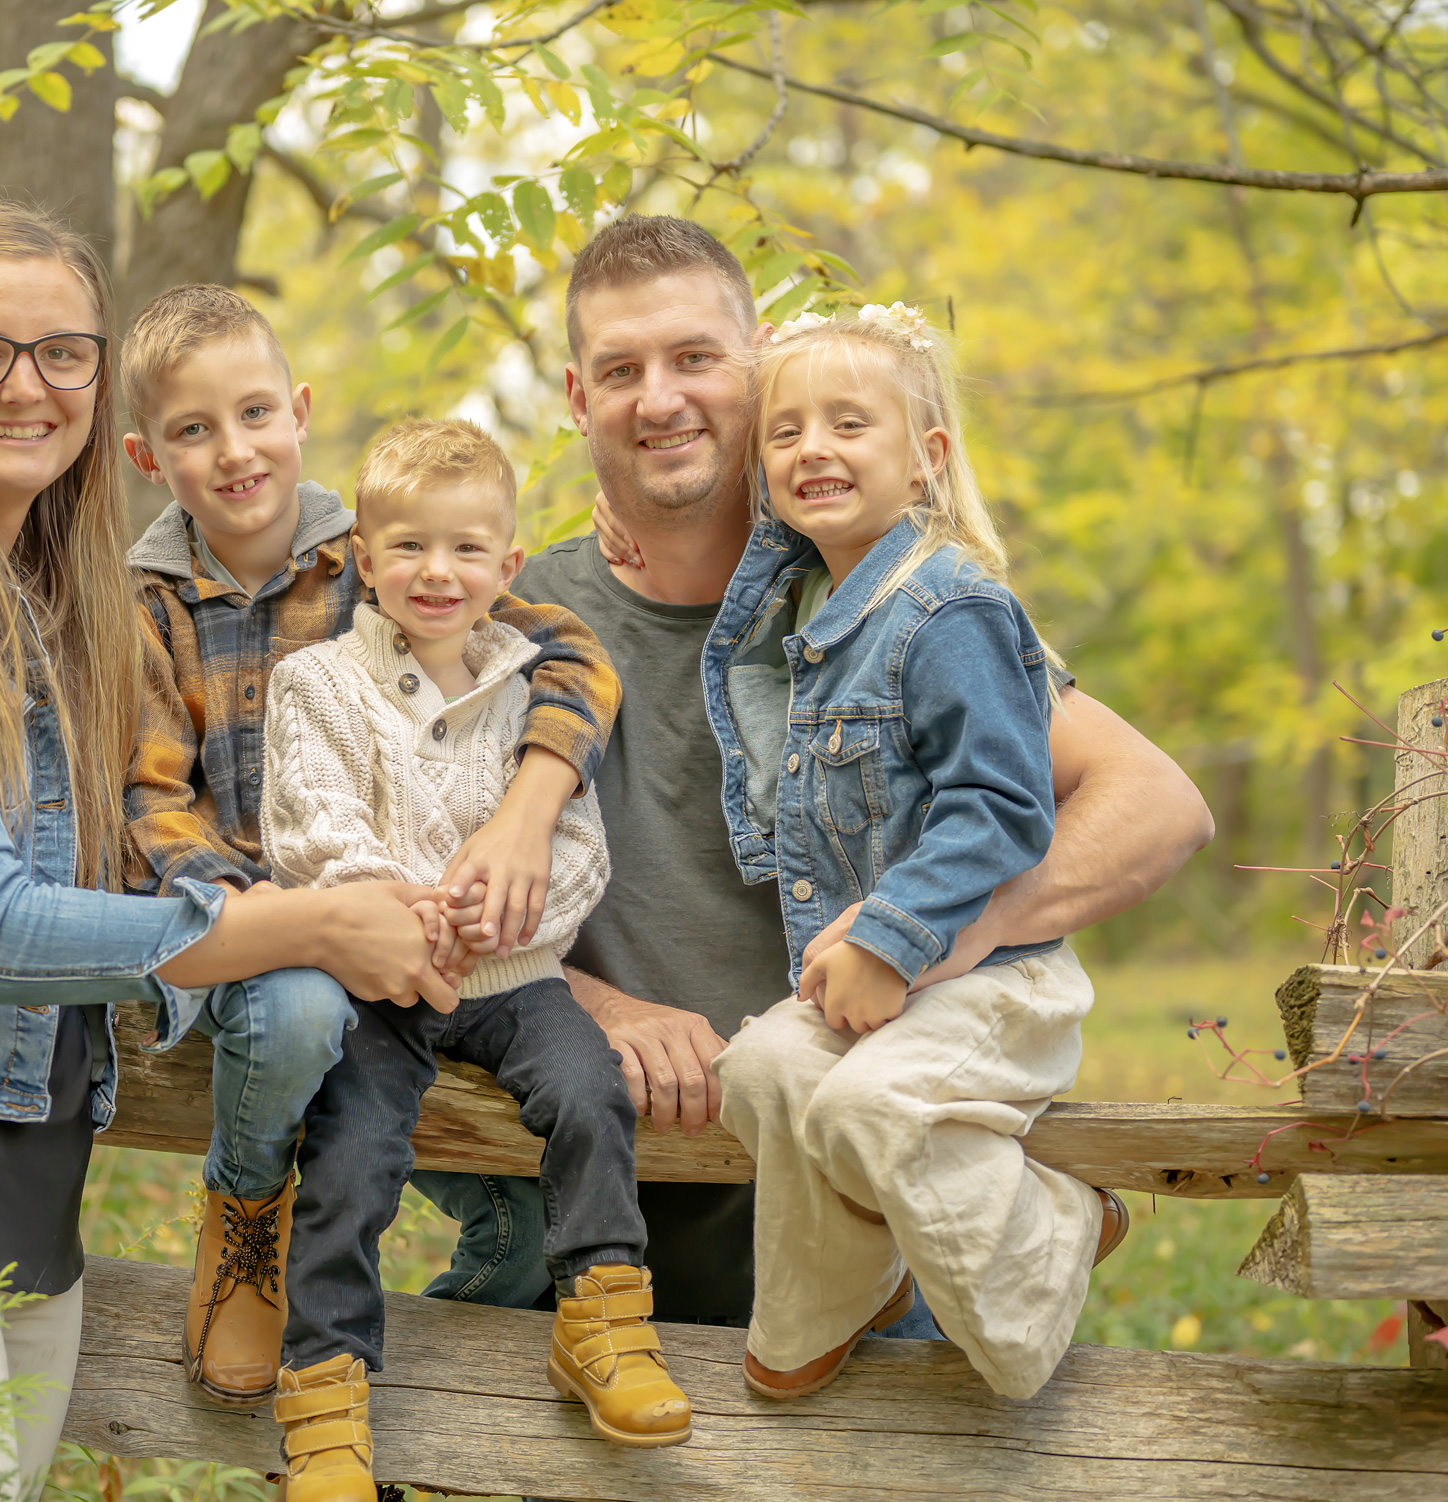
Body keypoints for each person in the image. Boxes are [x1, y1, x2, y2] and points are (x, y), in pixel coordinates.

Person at [0, 202, 459, 1501]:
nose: (27, 385)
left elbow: (124, 883)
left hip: (31, 1204)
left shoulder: (68, 619)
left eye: (63, 351)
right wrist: (314, 925)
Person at [420, 215, 1213, 1344]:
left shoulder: (886, 600)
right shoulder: (507, 624)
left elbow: (1157, 805)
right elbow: (402, 883)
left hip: (876, 1247)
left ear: (757, 364)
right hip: (588, 1248)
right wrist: (593, 1007)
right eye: (620, 371)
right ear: (574, 394)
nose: (659, 399)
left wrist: (934, 932)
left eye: (695, 358)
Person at [116, 284, 621, 1407]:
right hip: (249, 927)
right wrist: (262, 918)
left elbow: (566, 655)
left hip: (415, 922)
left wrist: (525, 806)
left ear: (298, 411)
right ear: (149, 455)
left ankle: (454, 1402)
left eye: (254, 414)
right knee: (300, 1012)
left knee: (526, 1196)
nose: (234, 450)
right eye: (193, 430)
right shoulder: (137, 602)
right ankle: (247, 1209)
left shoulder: (384, 555)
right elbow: (149, 797)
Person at [260, 419, 689, 1502]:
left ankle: (600, 1317)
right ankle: (324, 1389)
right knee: (351, 1152)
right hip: (378, 979)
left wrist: (503, 917)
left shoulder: (533, 686)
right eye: (406, 547)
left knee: (591, 1089)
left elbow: (574, 843)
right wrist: (402, 908)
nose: (434, 572)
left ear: (507, 566)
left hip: (512, 974)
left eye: (463, 550)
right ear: (364, 558)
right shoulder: (317, 680)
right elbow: (310, 822)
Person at [705, 302, 1127, 1402]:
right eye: (784, 432)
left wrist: (890, 936)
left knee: (861, 1106)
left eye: (849, 423)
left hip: (991, 981)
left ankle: (1053, 1235)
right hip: (892, 989)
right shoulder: (809, 613)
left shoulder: (951, 608)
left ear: (924, 459)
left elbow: (998, 803)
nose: (813, 449)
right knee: (752, 1067)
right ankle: (842, 1288)